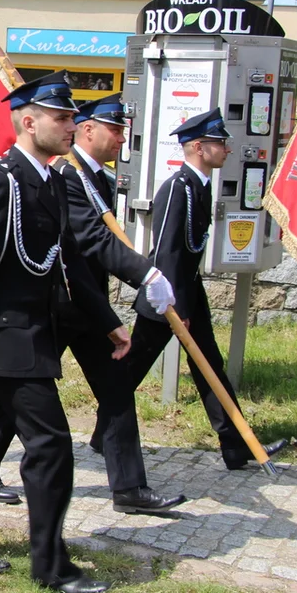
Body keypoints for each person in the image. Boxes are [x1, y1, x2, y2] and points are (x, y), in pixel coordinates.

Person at [0, 71, 129, 593]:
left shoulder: (52, 180)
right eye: (62, 117)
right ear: (29, 120)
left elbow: (68, 259)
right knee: (50, 447)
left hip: (35, 332)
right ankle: (53, 568)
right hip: (8, 338)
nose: (72, 126)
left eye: (72, 117)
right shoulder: (1, 180)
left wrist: (106, 320)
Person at [108, 107, 288, 471]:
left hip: (188, 292)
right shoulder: (179, 188)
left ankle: (235, 448)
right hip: (168, 298)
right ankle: (104, 434)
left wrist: (191, 302)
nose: (228, 149)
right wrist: (179, 309)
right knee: (132, 369)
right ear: (198, 147)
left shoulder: (199, 187)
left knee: (210, 366)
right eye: (220, 143)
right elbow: (169, 250)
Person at [48, 94, 186, 513]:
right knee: (6, 396)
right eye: (115, 129)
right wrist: (145, 273)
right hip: (55, 304)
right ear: (87, 130)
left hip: (89, 306)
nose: (122, 138)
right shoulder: (67, 175)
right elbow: (92, 237)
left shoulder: (99, 179)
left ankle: (129, 488)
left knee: (116, 390)